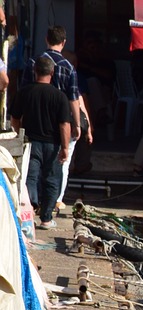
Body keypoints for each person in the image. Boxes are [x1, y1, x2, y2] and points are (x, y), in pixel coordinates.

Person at [22, 26, 90, 212]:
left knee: (33, 166)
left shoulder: (33, 62)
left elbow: (23, 92)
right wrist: (77, 125)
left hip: (35, 119)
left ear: (46, 39)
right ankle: (52, 206)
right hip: (61, 121)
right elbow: (74, 99)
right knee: (60, 165)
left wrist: (19, 122)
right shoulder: (68, 67)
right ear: (64, 42)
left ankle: (32, 203)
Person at [12, 55, 71, 229]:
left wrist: (18, 137)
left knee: (30, 178)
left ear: (35, 71)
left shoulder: (24, 92)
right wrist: (65, 147)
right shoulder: (59, 96)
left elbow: (15, 118)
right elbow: (64, 124)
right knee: (52, 180)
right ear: (52, 72)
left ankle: (29, 211)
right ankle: (46, 219)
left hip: (30, 142)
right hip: (52, 144)